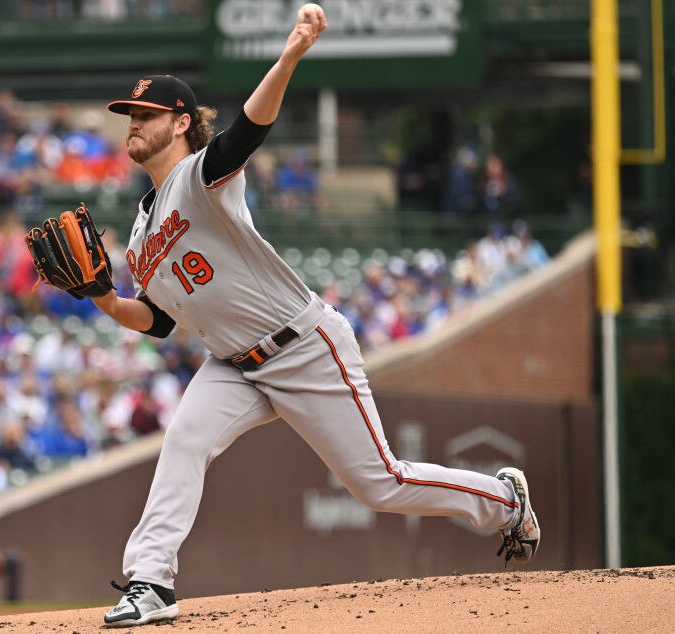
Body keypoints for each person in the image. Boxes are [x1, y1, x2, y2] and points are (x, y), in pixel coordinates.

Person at [87, 6, 540, 628]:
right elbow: (163, 321)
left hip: (303, 345)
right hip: (232, 364)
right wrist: (108, 301)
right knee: (185, 441)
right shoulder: (140, 232)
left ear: (181, 123)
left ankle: (504, 499)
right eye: (129, 116)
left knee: (379, 484)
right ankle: (150, 582)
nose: (132, 124)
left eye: (144, 114)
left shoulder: (201, 176)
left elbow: (247, 130)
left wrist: (291, 54)